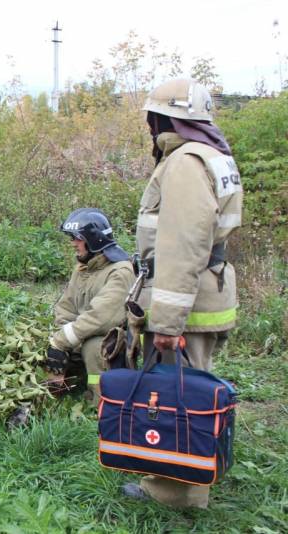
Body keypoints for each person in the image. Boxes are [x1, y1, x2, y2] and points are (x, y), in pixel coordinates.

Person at [121, 79, 243, 508]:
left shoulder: (186, 163)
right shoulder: (210, 155)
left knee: (177, 399)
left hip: (186, 302)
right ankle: (194, 476)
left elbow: (183, 243)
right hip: (205, 291)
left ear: (166, 119)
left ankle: (174, 494)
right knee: (189, 390)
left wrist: (167, 323)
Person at [45, 208, 135, 403]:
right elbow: (66, 307)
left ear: (94, 239)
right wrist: (58, 343)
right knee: (50, 346)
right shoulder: (83, 267)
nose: (72, 243)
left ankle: (101, 403)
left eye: (77, 238)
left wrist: (61, 341)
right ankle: (62, 389)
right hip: (83, 333)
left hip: (114, 340)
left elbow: (101, 318)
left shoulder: (120, 272)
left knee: (94, 347)